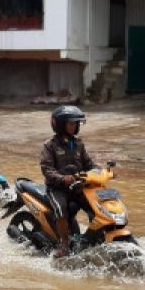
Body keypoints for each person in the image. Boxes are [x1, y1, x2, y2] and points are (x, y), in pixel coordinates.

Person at [39, 105, 95, 256]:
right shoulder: (50, 145)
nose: (74, 126)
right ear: (60, 125)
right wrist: (62, 179)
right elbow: (47, 169)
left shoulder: (78, 144)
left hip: (76, 187)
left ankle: (95, 237)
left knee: (95, 205)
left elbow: (89, 165)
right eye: (71, 123)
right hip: (57, 189)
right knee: (61, 209)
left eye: (76, 124)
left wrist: (102, 172)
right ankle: (64, 244)